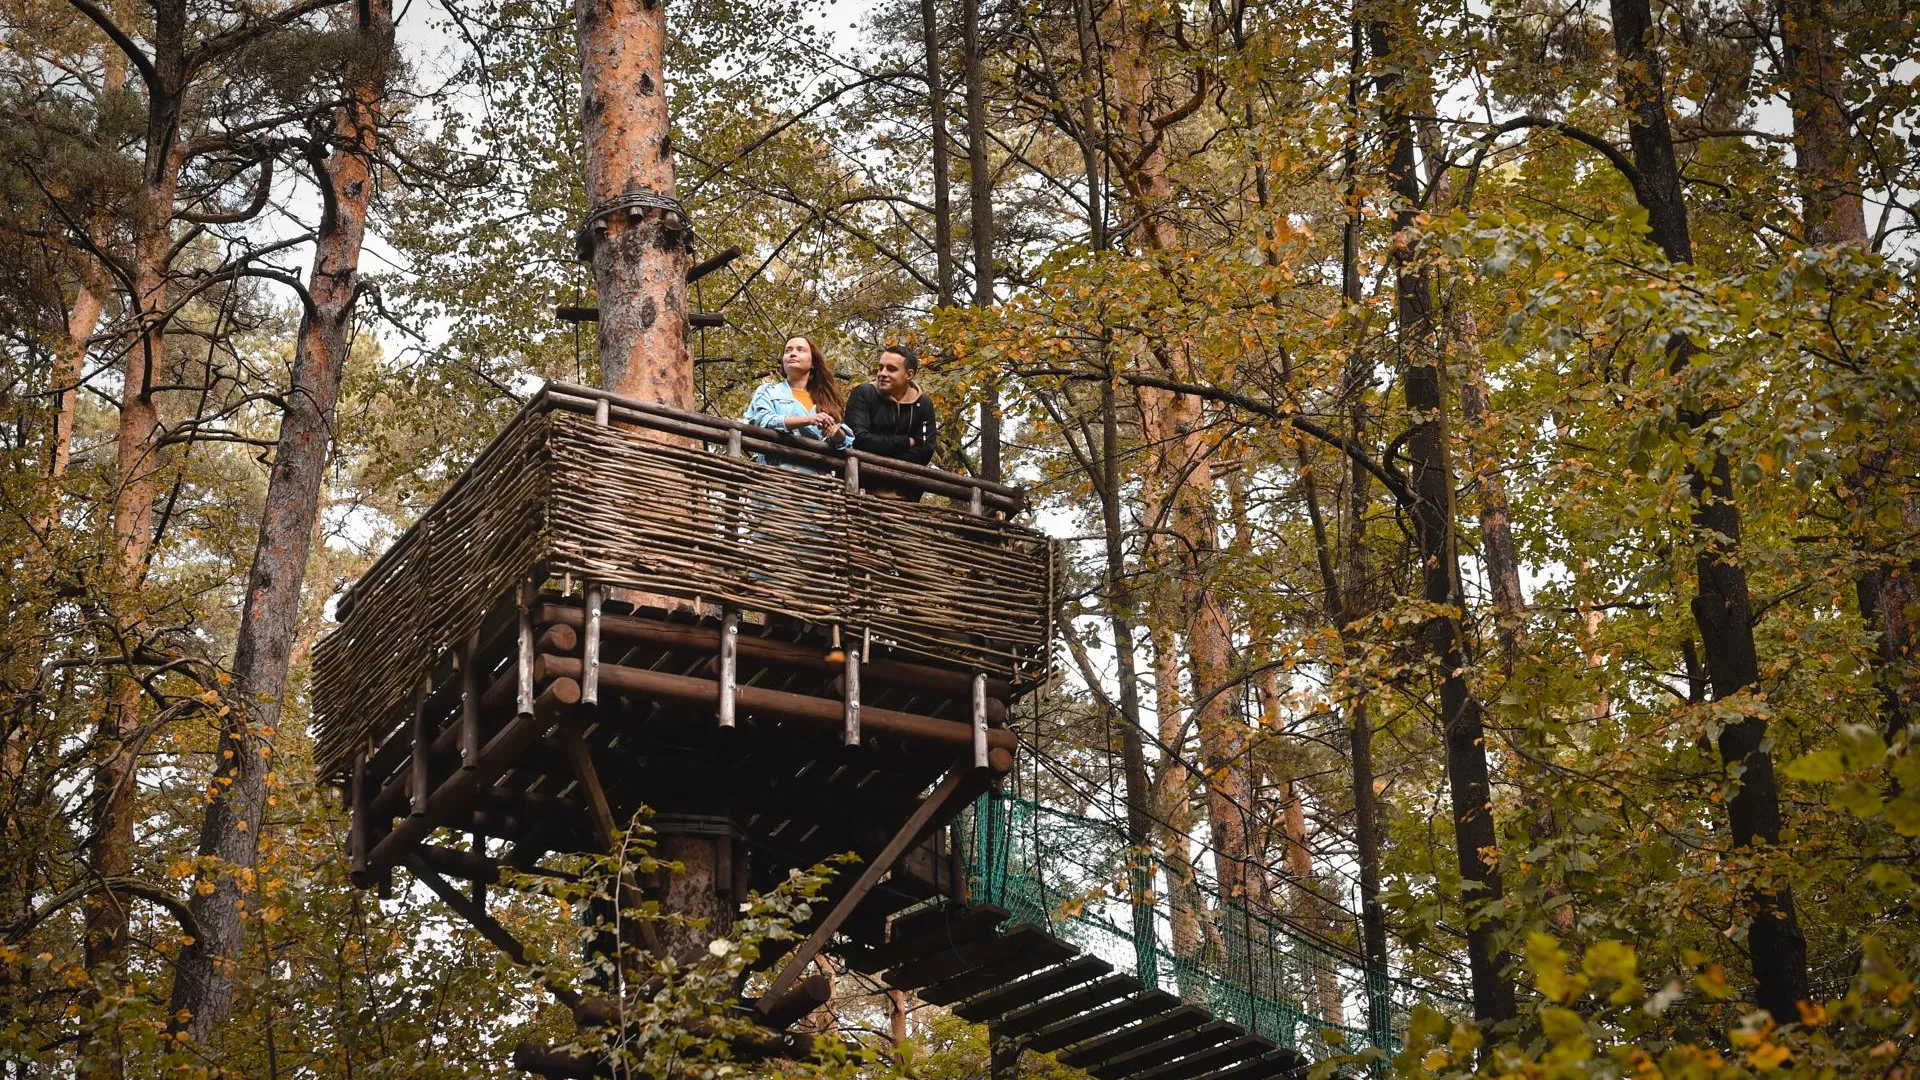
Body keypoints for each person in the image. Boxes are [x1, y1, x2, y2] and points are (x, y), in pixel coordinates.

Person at [843, 344, 937, 500]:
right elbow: (858, 439)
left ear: (909, 374)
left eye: (891, 369)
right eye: (880, 368)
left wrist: (879, 453)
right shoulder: (863, 394)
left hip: (905, 495)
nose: (882, 373)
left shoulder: (924, 405)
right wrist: (906, 442)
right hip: (861, 489)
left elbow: (925, 450)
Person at [745, 335, 852, 468]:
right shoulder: (767, 392)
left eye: (800, 350)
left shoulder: (826, 400)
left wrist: (836, 432)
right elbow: (761, 421)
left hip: (816, 481)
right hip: (774, 475)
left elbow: (845, 444)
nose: (793, 354)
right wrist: (808, 420)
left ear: (813, 362)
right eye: (788, 351)